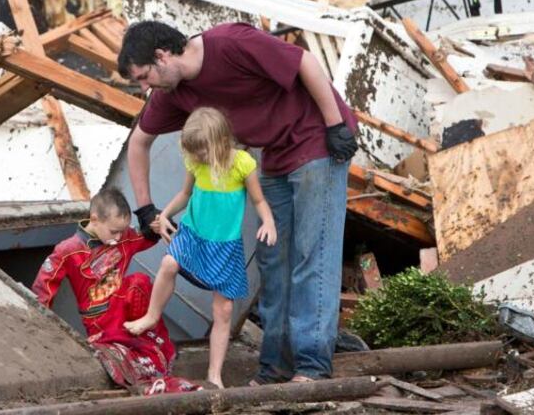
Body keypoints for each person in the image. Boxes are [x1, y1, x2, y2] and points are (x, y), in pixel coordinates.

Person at [117, 20, 359, 384]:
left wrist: (335, 124)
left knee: (312, 252)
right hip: (276, 155)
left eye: (143, 76)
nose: (144, 86)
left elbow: (305, 62)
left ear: (162, 56)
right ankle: (276, 366)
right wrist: (145, 208)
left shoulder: (230, 43)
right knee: (273, 258)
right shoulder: (173, 92)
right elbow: (139, 142)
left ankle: (312, 366)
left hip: (316, 141)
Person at [124, 107, 277, 389]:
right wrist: (164, 214)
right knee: (169, 263)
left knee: (224, 310)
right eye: (193, 153)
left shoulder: (243, 163)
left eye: (202, 152)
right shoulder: (196, 164)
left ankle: (214, 375)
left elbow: (258, 201)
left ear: (219, 142)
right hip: (194, 234)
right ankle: (152, 314)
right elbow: (185, 194)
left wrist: (268, 221)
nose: (197, 158)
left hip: (225, 246)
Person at [32, 188, 200, 395]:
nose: (118, 237)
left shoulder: (124, 238)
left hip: (127, 313)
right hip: (98, 318)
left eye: (122, 231)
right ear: (94, 219)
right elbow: (44, 287)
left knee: (139, 282)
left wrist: (156, 227)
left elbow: (144, 238)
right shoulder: (68, 250)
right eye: (113, 232)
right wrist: (41, 327)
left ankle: (147, 347)